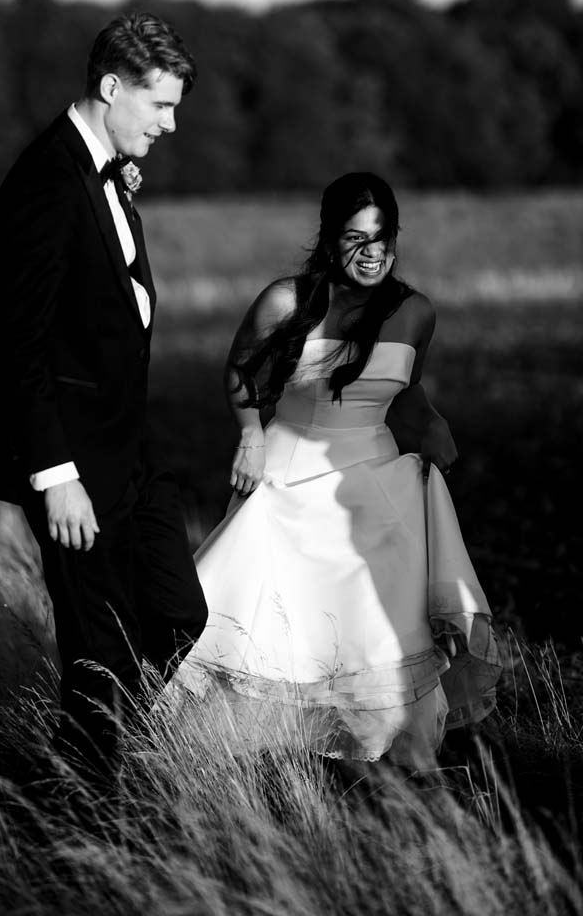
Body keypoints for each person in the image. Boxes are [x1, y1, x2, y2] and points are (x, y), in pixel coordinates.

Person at [174, 173, 500, 766]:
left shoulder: (416, 312)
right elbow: (240, 371)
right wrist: (249, 434)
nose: (372, 252)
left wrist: (432, 423)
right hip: (288, 477)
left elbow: (405, 390)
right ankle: (262, 763)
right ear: (330, 240)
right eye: (356, 238)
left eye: (382, 237)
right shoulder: (286, 301)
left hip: (374, 482)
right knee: (276, 624)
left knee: (372, 625)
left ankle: (380, 762)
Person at [0, 12, 208, 776]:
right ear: (112, 87)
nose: (170, 124)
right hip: (73, 463)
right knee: (99, 654)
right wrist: (56, 477)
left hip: (131, 449)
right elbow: (20, 348)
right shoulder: (46, 183)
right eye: (159, 105)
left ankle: (93, 749)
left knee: (179, 612)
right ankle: (83, 801)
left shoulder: (103, 168)